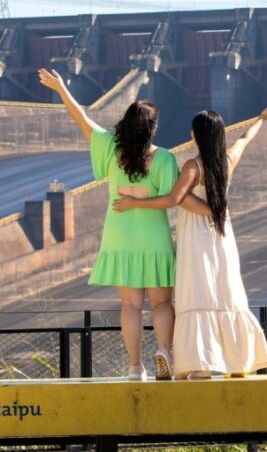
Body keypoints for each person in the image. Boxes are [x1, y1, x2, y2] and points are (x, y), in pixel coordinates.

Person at [38, 68, 208, 381]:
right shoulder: (165, 158)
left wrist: (62, 89)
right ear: (153, 128)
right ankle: (165, 352)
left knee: (130, 306)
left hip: (119, 239)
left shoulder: (112, 151)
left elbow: (83, 119)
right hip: (154, 238)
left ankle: (134, 367)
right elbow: (175, 197)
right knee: (161, 303)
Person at [114, 103, 267, 379]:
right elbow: (245, 138)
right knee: (225, 291)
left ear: (197, 136)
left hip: (195, 238)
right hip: (222, 236)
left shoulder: (192, 167)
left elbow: (171, 199)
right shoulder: (228, 159)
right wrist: (263, 118)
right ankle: (237, 362)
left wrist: (134, 202)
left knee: (197, 293)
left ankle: (200, 366)